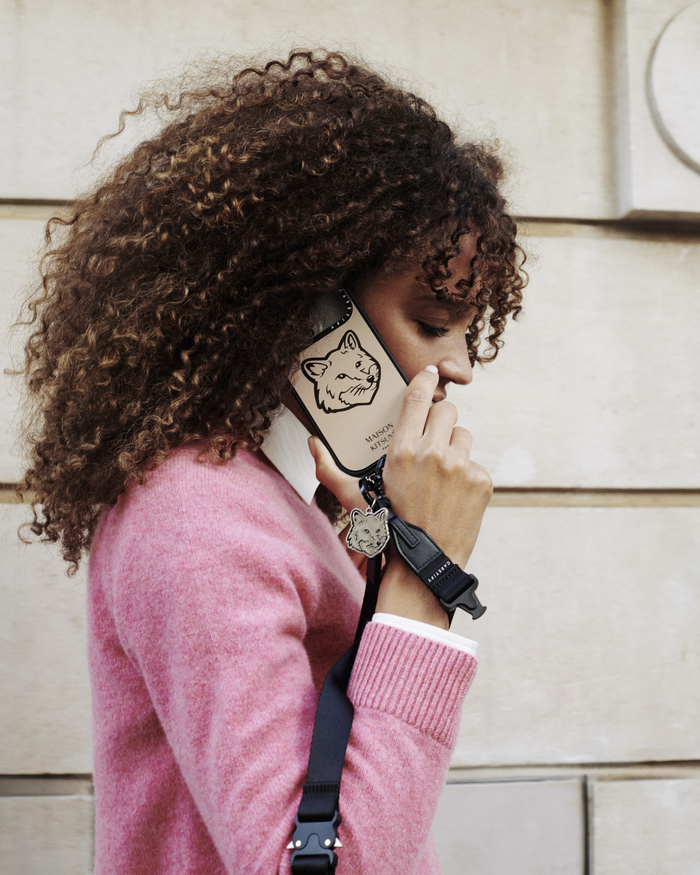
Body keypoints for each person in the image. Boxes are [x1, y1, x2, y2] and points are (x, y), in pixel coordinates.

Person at [19, 50, 525, 874]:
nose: (462, 366)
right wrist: (425, 582)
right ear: (309, 308)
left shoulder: (277, 490)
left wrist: (380, 540)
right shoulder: (194, 515)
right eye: (434, 323)